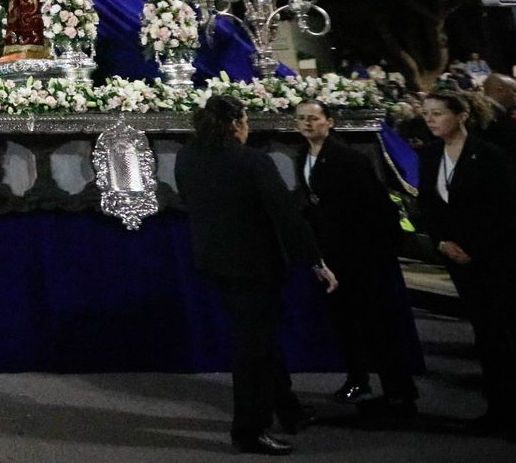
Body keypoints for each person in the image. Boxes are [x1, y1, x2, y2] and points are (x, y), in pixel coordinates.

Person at [175, 94, 336, 456]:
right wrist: (315, 260)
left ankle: (288, 410)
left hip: (215, 262)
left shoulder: (188, 157)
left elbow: (189, 200)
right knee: (254, 351)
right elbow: (285, 215)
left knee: (259, 340)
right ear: (236, 124)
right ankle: (250, 430)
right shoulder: (252, 160)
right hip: (255, 265)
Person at [415, 89, 516, 443]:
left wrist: (473, 247)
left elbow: (503, 208)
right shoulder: (429, 155)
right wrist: (441, 240)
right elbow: (427, 203)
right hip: (461, 262)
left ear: (461, 115)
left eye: (438, 113)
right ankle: (501, 408)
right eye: (427, 114)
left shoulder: (489, 155)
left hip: (501, 258)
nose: (430, 119)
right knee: (487, 336)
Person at [292, 99, 417, 419]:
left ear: (329, 122)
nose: (308, 124)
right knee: (345, 322)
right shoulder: (301, 156)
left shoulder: (349, 158)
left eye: (314, 119)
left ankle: (398, 392)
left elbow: (374, 205)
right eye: (302, 119)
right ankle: (358, 379)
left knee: (377, 325)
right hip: (331, 253)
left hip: (360, 253)